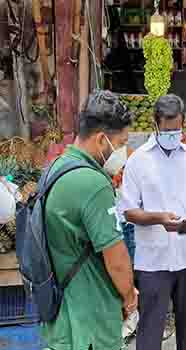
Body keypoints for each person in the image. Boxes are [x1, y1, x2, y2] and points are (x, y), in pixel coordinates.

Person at [41, 90, 137, 350]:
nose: (123, 152)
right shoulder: (92, 184)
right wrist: (129, 297)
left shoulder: (56, 167)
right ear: (101, 140)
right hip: (90, 326)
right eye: (120, 143)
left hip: (61, 318)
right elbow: (116, 260)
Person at [120, 94, 186, 350]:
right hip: (154, 260)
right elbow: (128, 211)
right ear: (156, 124)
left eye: (178, 129)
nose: (174, 134)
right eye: (168, 130)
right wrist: (158, 218)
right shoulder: (138, 160)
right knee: (150, 329)